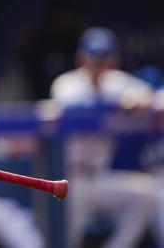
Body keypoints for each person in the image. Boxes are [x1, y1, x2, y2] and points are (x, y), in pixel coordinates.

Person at [50, 27, 163, 248]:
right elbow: (73, 108)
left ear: (114, 59)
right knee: (65, 241)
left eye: (104, 57)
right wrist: (118, 104)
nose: (98, 63)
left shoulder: (117, 83)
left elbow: (155, 95)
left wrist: (144, 101)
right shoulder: (66, 83)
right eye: (94, 56)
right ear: (81, 58)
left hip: (101, 178)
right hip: (70, 180)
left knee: (148, 194)